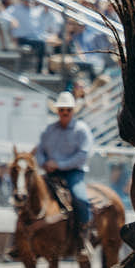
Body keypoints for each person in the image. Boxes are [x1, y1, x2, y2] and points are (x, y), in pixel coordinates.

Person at [35, 91, 94, 258]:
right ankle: (22, 239)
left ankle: (84, 237)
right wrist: (44, 163)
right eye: (62, 109)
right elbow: (39, 151)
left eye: (68, 109)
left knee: (80, 198)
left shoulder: (81, 130)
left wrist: (58, 164)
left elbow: (82, 156)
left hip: (73, 173)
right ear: (57, 111)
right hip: (51, 172)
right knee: (29, 193)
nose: (65, 112)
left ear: (73, 111)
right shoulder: (49, 130)